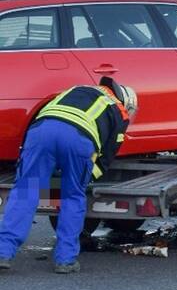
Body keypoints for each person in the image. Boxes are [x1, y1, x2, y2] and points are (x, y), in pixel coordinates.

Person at [0, 77, 137, 273]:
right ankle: (66, 260)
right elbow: (107, 156)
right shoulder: (119, 110)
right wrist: (88, 176)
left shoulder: (77, 89)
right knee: (72, 196)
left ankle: (3, 252)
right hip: (78, 139)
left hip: (41, 131)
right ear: (126, 102)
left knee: (25, 191)